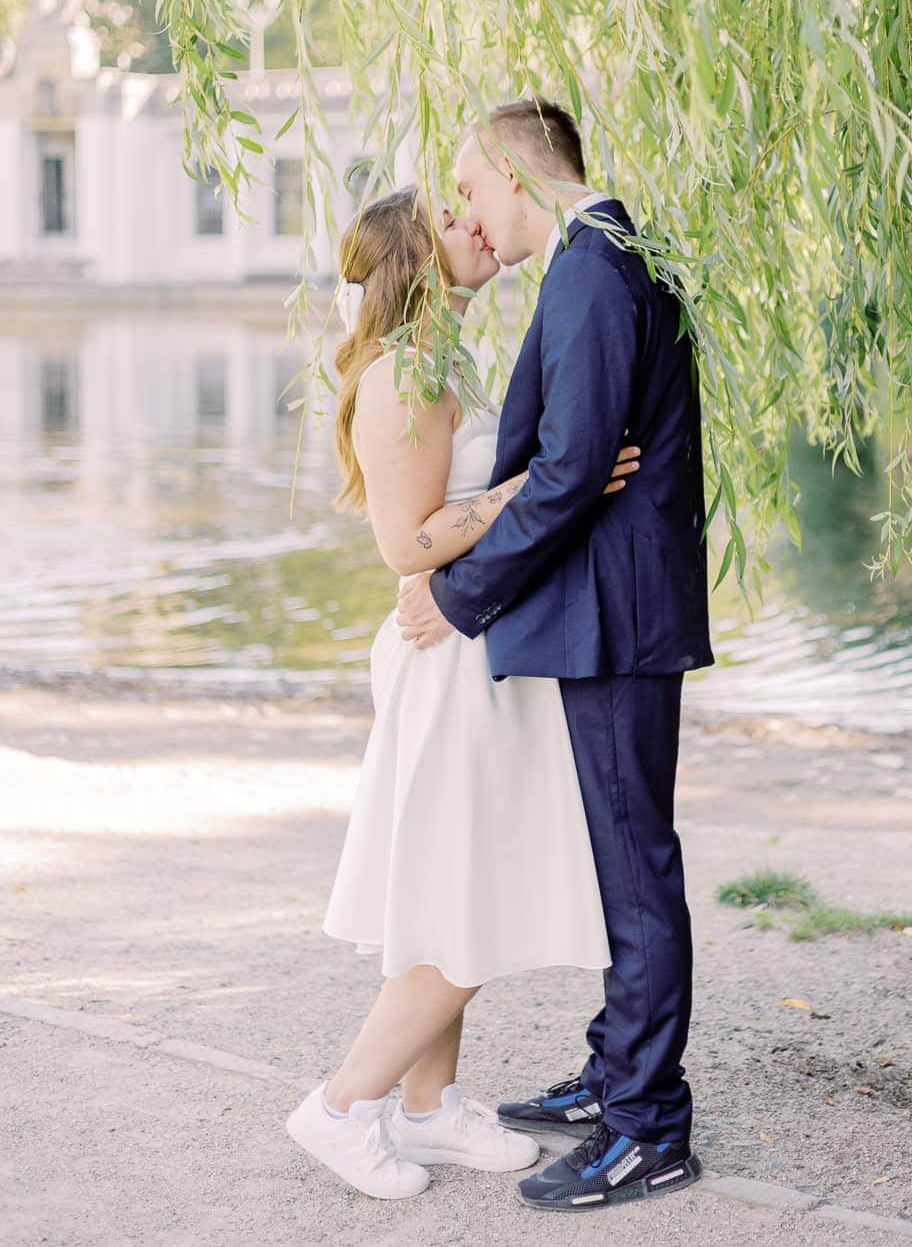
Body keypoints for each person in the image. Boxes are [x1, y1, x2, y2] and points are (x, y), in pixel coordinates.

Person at [285, 187, 637, 1201]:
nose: (477, 222)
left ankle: (429, 1111)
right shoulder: (407, 374)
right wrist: (548, 483)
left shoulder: (447, 361)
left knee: (455, 883)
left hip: (473, 650)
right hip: (449, 662)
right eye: (450, 218)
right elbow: (407, 543)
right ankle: (344, 1105)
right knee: (468, 895)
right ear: (415, 257)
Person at [398, 96, 715, 1211]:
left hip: (620, 616)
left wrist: (461, 593)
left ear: (512, 171)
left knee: (635, 869)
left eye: (472, 187)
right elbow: (583, 463)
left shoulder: (588, 270)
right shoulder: (615, 253)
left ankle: (648, 1127)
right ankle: (615, 1068)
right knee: (621, 860)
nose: (468, 213)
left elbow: (576, 472)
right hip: (620, 607)